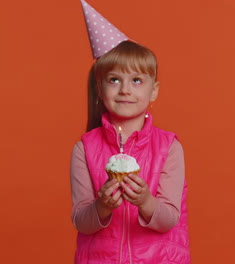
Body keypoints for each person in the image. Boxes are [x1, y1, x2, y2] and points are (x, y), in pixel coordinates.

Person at [70, 1, 190, 263]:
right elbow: (81, 221)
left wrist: (145, 200)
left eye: (136, 80)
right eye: (114, 80)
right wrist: (101, 207)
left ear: (154, 90)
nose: (125, 89)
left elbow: (169, 219)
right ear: (100, 90)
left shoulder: (169, 147)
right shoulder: (85, 148)